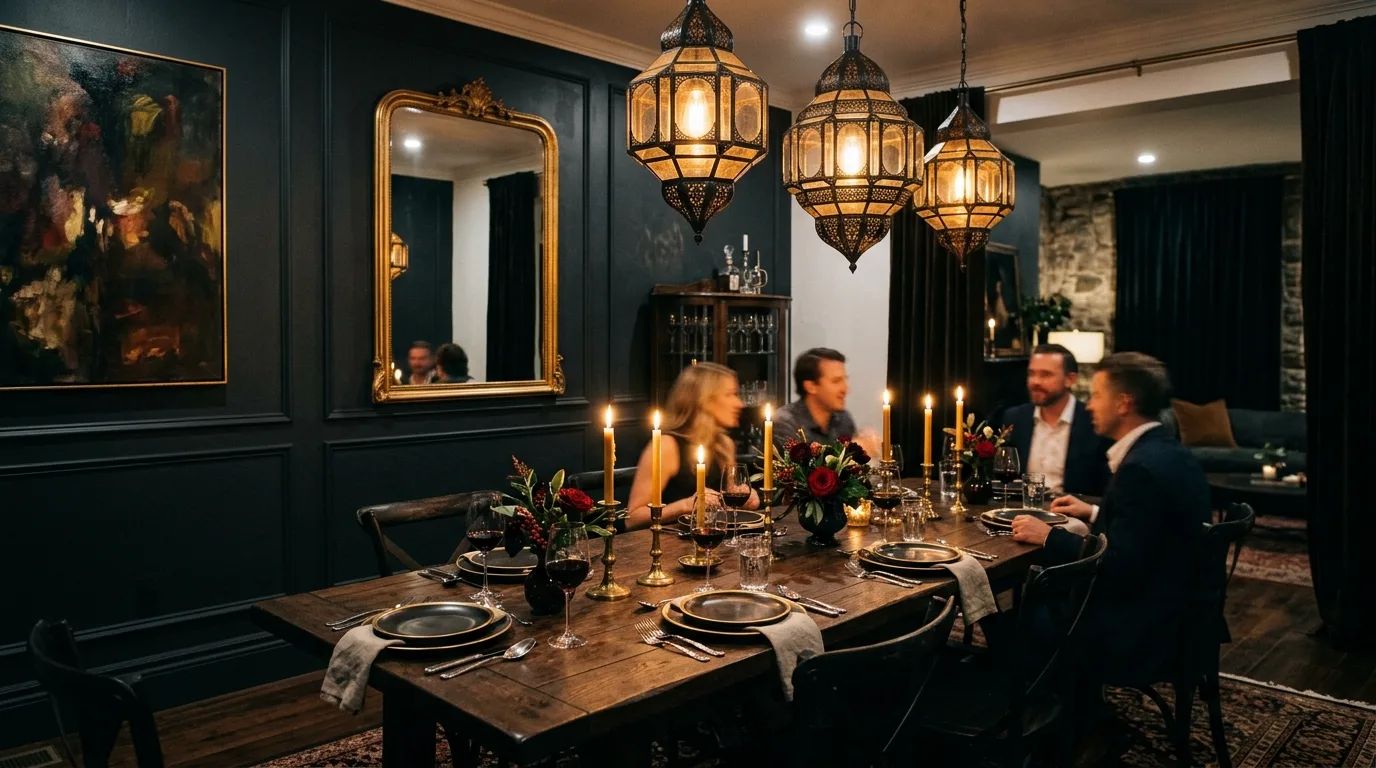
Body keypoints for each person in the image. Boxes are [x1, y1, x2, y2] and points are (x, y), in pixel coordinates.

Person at [1011, 351, 1211, 689]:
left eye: (1098, 395)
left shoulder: (1140, 469)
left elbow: (1120, 564)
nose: (1089, 405)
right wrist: (1093, 513)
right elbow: (1152, 527)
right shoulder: (1166, 449)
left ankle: (1045, 709)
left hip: (1141, 626)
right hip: (1179, 610)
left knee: (1012, 614)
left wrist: (1048, 536)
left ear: (1123, 403)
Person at [626, 363, 759, 530]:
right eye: (730, 395)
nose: (739, 404)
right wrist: (685, 505)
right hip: (669, 547)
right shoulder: (666, 446)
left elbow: (724, 509)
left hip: (711, 542)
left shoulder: (724, 444)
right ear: (704, 400)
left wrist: (743, 498)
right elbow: (632, 518)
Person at [1001, 344, 1111, 495]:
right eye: (1032, 374)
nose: (1035, 382)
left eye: (1045, 375)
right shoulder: (1015, 417)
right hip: (1022, 513)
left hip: (1074, 514)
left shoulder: (1094, 421)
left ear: (1070, 379)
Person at [772, 348, 880, 458]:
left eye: (845, 379)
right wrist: (852, 453)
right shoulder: (785, 422)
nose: (845, 389)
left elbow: (853, 473)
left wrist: (866, 444)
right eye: (836, 381)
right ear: (811, 386)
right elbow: (801, 472)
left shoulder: (843, 419)